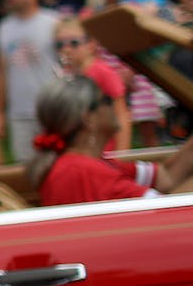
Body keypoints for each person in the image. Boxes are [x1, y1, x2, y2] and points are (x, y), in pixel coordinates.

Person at [28, 77, 193, 205]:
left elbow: (166, 176)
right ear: (88, 118)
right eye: (106, 100)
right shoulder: (86, 172)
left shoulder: (84, 164)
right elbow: (170, 212)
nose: (114, 103)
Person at [84, 0, 164, 147]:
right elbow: (89, 50)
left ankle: (155, 168)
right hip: (105, 75)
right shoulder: (89, 15)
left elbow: (142, 43)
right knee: (112, 126)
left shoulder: (132, 9)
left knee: (148, 129)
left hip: (136, 70)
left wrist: (130, 71)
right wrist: (112, 75)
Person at [0, 0, 60, 163]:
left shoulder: (53, 22)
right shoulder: (4, 27)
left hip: (51, 109)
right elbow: (2, 72)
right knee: (25, 166)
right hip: (19, 112)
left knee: (56, 162)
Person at [53, 16, 130, 151]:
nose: (66, 49)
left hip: (105, 151)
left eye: (74, 43)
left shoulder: (103, 72)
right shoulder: (65, 75)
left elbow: (122, 114)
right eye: (60, 45)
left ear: (91, 44)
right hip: (80, 150)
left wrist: (122, 154)